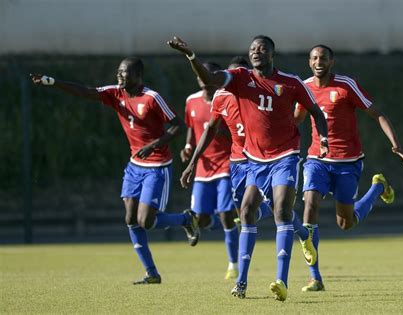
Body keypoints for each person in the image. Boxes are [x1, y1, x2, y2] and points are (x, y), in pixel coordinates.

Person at [168, 36, 329, 301]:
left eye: (262, 48)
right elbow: (211, 82)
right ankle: (241, 281)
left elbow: (315, 112)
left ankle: (281, 280)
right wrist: (190, 56)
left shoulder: (290, 82)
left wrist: (322, 139)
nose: (256, 52)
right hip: (252, 160)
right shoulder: (239, 79)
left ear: (272, 54)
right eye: (252, 49)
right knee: (246, 211)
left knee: (280, 210)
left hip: (285, 155)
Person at [30, 57, 200, 285]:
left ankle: (185, 219)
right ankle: (151, 273)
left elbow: (179, 125)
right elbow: (85, 91)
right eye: (119, 72)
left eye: (125, 73)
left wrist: (153, 145)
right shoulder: (115, 93)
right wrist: (52, 82)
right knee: (130, 219)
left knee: (146, 221)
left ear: (138, 76)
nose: (119, 76)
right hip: (134, 166)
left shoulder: (151, 98)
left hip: (157, 167)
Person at [294, 45, 403, 292]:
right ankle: (315, 277)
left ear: (331, 61)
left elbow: (377, 113)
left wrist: (396, 144)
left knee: (345, 224)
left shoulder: (346, 85)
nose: (318, 62)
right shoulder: (304, 88)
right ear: (309, 61)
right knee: (310, 203)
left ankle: (378, 187)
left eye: (323, 58)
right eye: (314, 58)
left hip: (348, 162)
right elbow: (295, 120)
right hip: (317, 159)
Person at [181, 61, 239, 280]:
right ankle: (211, 221)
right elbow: (191, 127)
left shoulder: (226, 98)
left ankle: (233, 264)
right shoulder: (191, 101)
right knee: (201, 219)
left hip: (225, 163)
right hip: (203, 169)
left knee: (226, 214)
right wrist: (188, 147)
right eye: (200, 77)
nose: (204, 80)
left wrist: (220, 131)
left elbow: (236, 131)